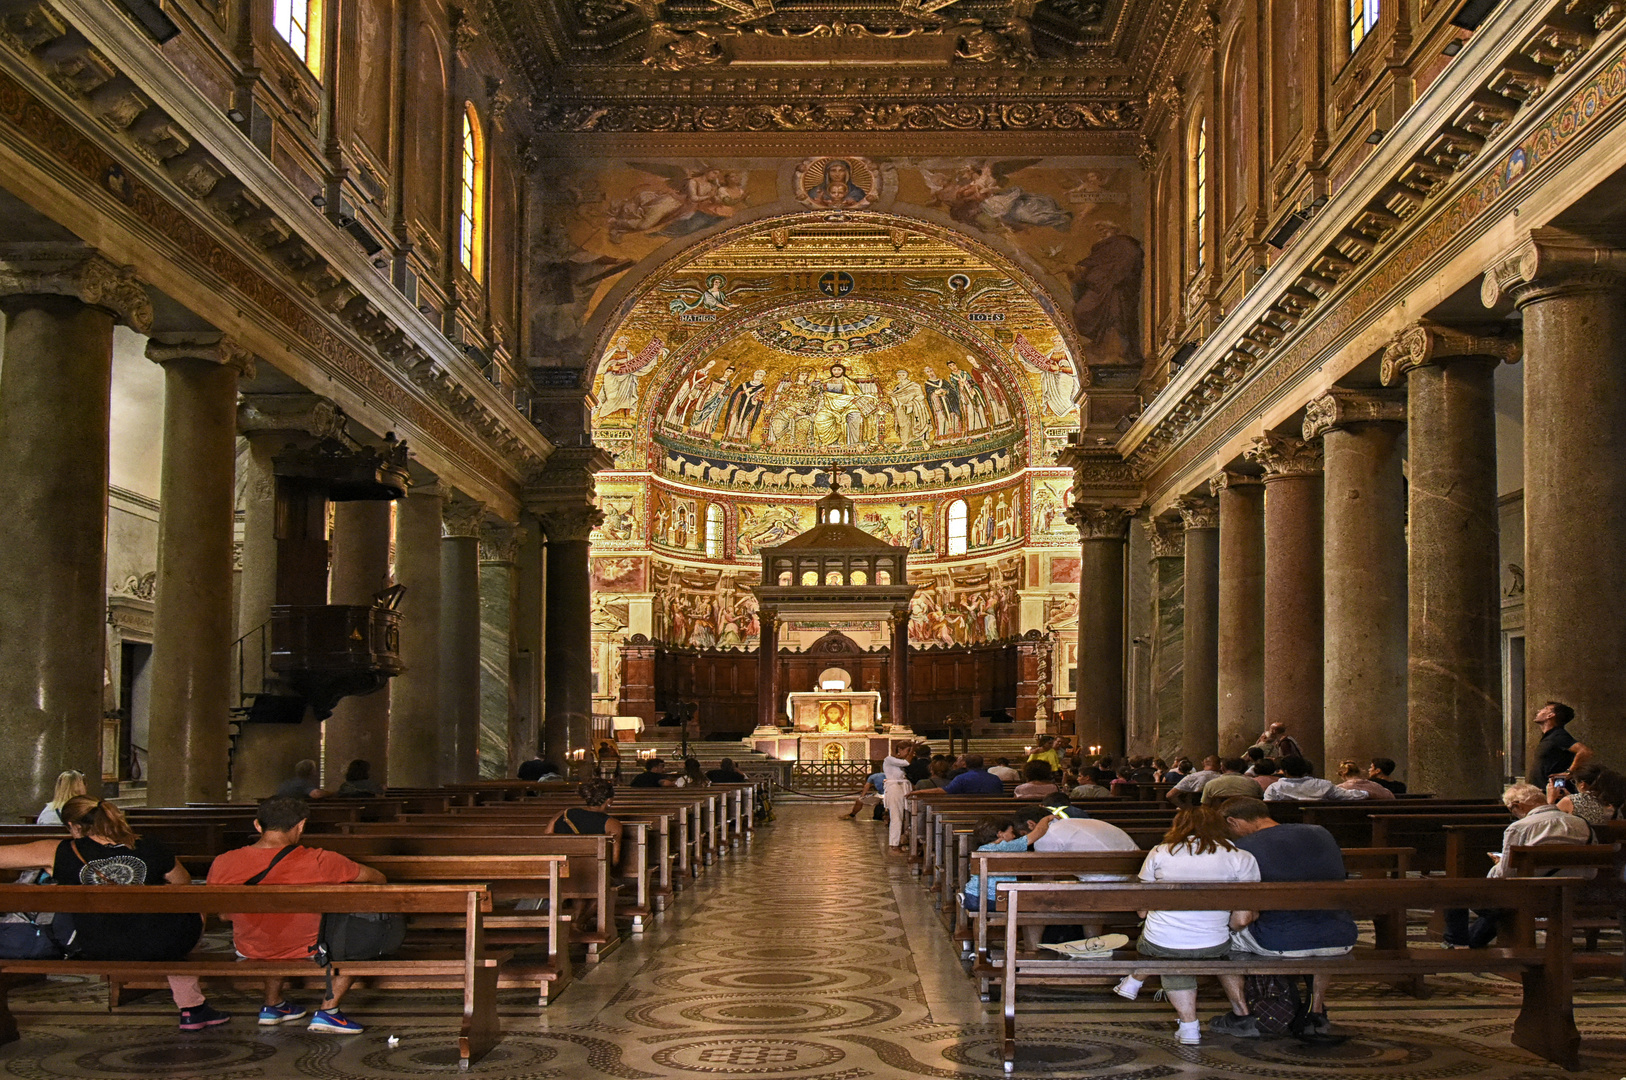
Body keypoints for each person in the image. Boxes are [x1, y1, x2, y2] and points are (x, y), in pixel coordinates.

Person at [0, 798, 231, 1030]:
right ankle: (192, 1008)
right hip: (162, 946)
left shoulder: (56, 851)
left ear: (74, 826)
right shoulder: (151, 845)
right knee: (191, 909)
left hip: (95, 947)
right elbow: (183, 883)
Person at [207, 796, 387, 1033]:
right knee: (361, 940)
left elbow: (223, 916)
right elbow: (378, 879)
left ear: (257, 825)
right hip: (309, 948)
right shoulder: (320, 860)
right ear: (301, 825)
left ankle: (273, 1005)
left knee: (271, 931)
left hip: (250, 947)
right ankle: (328, 1011)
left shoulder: (223, 862)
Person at [1114, 806, 1261, 1046]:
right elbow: (1242, 919)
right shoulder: (1241, 857)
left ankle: (1188, 1026)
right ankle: (1135, 980)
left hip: (1162, 940)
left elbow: (1142, 908)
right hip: (1215, 944)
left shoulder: (1160, 852)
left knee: (1169, 952)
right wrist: (1222, 929)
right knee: (1193, 947)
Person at [1213, 797, 1358, 1037]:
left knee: (1214, 939)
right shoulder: (1320, 833)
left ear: (1233, 821)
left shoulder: (1244, 849)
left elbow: (1241, 920)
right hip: (1340, 937)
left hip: (1280, 942)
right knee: (1321, 926)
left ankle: (1241, 1016)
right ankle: (1316, 1011)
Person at [1444, 783, 1593, 947]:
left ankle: (1456, 944)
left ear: (1517, 806)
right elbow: (1592, 869)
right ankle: (1473, 941)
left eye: (1511, 811)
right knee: (1505, 901)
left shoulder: (1519, 827)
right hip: (1577, 894)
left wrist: (1498, 865)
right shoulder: (1582, 824)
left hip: (1529, 896)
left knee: (1454, 893)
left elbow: (1504, 875)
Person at [960, 814, 1055, 913]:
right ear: (1000, 834)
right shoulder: (1006, 847)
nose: (1014, 836)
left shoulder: (980, 850)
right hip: (995, 900)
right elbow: (1038, 833)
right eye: (1011, 832)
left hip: (973, 897)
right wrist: (1046, 818)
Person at [1532, 701, 1592, 784]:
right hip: (1546, 789)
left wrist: (1569, 772)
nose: (1539, 711)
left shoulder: (1558, 735)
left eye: (1545, 709)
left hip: (1553, 789)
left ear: (1550, 715)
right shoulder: (1551, 736)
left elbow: (1585, 752)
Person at [1263, 756, 1369, 801]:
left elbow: (1268, 807)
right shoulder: (1322, 785)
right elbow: (1348, 796)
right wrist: (1366, 793)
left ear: (1284, 771)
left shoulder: (1274, 788)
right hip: (1322, 826)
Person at [1549, 763, 1624, 825]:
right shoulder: (1611, 801)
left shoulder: (1570, 801)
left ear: (1583, 784)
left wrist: (1551, 801)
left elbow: (1549, 822)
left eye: (1574, 782)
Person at [881, 742, 915, 850]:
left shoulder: (899, 761)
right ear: (900, 749)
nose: (910, 754)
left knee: (904, 816)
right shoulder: (889, 759)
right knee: (896, 816)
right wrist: (913, 748)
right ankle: (894, 844)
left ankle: (901, 840)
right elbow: (906, 763)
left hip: (902, 787)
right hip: (894, 788)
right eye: (908, 751)